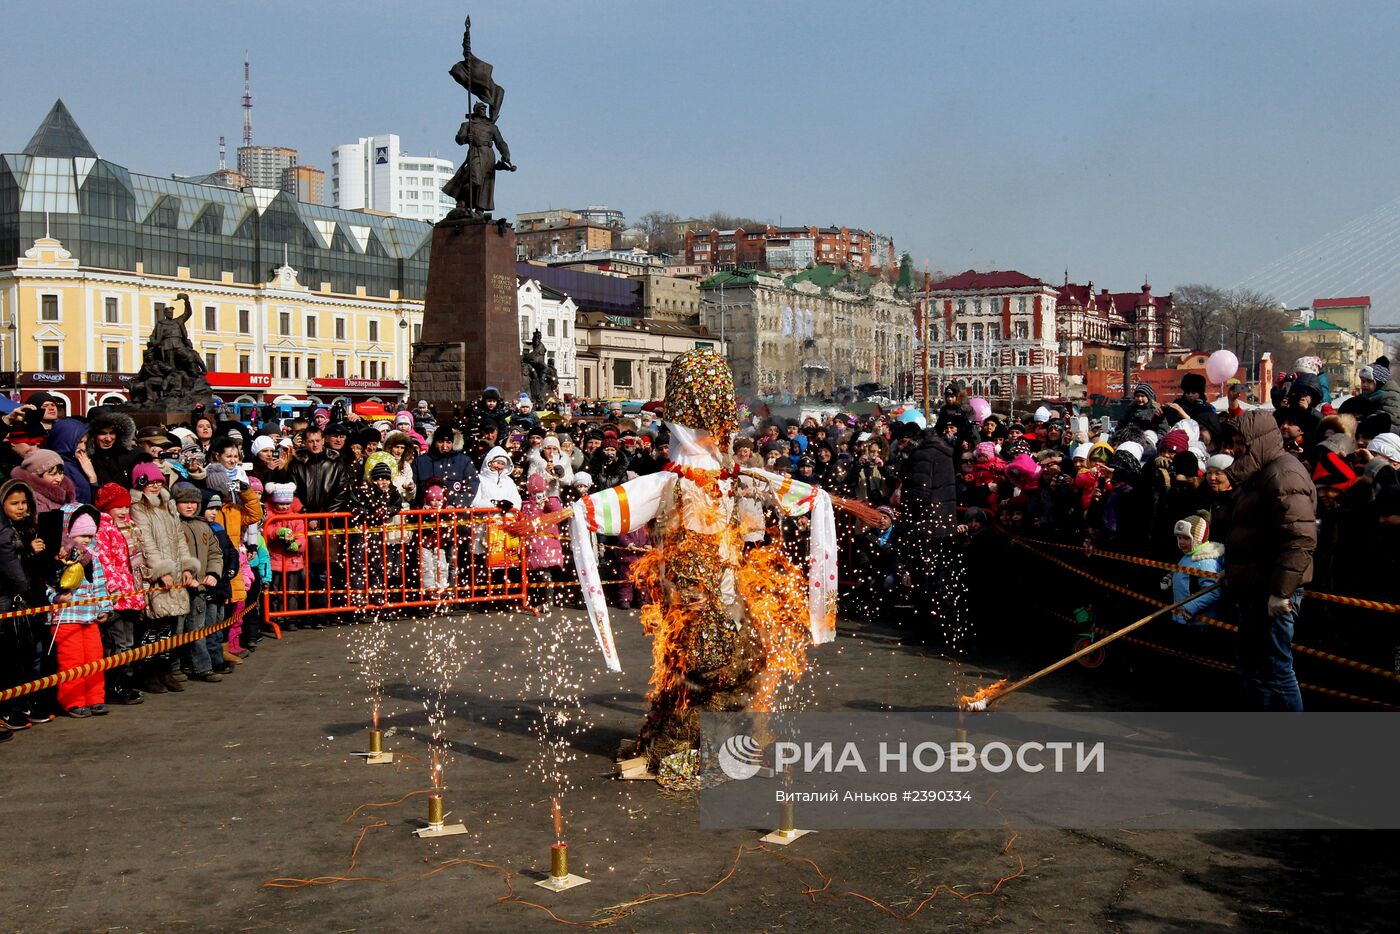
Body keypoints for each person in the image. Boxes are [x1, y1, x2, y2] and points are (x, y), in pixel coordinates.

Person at [1222, 411, 1317, 711]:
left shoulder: (1283, 474)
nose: (1235, 449)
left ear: (1257, 442)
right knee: (1253, 668)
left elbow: (1300, 538)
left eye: (1240, 442)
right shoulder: (1259, 474)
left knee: (1276, 670)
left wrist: (1281, 592)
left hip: (1273, 591)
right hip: (1255, 587)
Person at [129, 462, 195, 695]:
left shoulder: (168, 505)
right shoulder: (138, 507)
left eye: (159, 481)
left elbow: (179, 538)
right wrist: (160, 570)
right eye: (152, 481)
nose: (156, 485)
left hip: (175, 570)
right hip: (154, 575)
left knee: (168, 625)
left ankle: (164, 668)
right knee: (152, 625)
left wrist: (187, 566)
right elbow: (145, 541)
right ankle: (147, 672)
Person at [47, 508, 114, 717]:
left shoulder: (93, 556)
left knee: (95, 658)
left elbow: (100, 585)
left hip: (90, 616)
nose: (86, 540)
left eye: (90, 535)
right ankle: (73, 701)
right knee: (71, 661)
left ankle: (95, 698)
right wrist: (55, 597)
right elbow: (47, 582)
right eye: (82, 535)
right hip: (66, 618)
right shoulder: (59, 555)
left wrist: (105, 607)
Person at [93, 483, 147, 705]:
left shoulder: (129, 527)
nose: (124, 512)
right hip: (116, 596)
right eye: (118, 508)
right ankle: (115, 685)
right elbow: (106, 563)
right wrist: (115, 590)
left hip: (130, 594)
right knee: (117, 644)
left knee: (129, 641)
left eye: (126, 507)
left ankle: (125, 681)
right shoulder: (103, 530)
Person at [171, 482, 227, 683]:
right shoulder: (173, 525)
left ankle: (202, 667)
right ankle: (176, 668)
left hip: (200, 587)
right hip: (178, 588)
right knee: (177, 631)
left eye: (193, 502)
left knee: (198, 630)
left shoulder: (203, 525)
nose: (190, 506)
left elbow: (215, 552)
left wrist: (213, 573)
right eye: (184, 502)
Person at [1163, 512, 1224, 625]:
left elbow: (1213, 592)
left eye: (1186, 538)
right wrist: (1169, 577)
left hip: (1198, 622)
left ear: (1198, 539)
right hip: (1183, 617)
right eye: (1179, 537)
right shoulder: (1188, 555)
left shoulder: (1205, 561)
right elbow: (1181, 571)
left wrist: (1190, 608)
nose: (1181, 542)